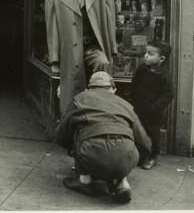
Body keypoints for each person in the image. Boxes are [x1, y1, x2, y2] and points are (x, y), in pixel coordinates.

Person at [56, 71, 151, 203]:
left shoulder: (80, 98)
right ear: (113, 90)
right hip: (127, 156)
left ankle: (85, 181)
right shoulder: (126, 104)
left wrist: (72, 150)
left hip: (92, 152)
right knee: (123, 146)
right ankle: (122, 183)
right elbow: (143, 140)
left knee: (81, 130)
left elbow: (62, 132)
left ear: (88, 88)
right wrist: (137, 160)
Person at [45, 0, 117, 113]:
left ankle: (101, 112)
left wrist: (112, 49)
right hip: (70, 50)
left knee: (103, 64)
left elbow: (110, 20)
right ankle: (73, 123)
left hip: (93, 45)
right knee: (72, 91)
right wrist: (54, 60)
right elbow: (52, 30)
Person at [131, 41, 173, 170]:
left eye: (150, 54)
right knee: (138, 131)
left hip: (154, 112)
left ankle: (152, 156)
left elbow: (168, 95)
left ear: (161, 59)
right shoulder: (141, 69)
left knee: (153, 134)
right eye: (145, 53)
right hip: (139, 107)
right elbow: (134, 84)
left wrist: (154, 108)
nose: (146, 56)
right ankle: (140, 155)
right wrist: (133, 101)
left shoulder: (164, 75)